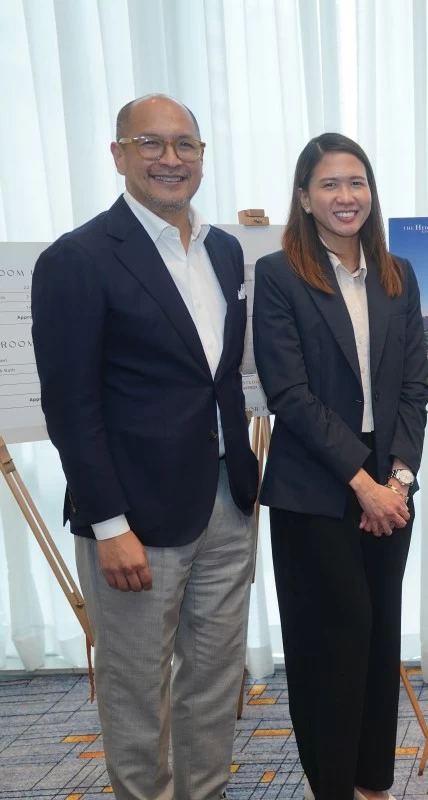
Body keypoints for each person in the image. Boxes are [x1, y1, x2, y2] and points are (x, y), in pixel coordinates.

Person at [30, 94, 259, 800]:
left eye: (185, 144)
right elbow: (71, 406)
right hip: (133, 520)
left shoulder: (224, 249)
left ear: (201, 157)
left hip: (227, 501)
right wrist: (108, 525)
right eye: (150, 144)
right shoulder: (77, 259)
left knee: (215, 683)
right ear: (118, 155)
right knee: (136, 695)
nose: (170, 159)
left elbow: (219, 375)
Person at [253, 132, 428, 800]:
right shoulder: (279, 275)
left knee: (380, 639)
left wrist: (398, 482)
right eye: (329, 184)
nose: (346, 196)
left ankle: (373, 785)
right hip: (314, 489)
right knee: (331, 646)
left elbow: (414, 387)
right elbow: (289, 394)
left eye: (357, 182)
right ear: (304, 197)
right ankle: (331, 787)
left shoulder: (397, 273)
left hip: (391, 485)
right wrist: (363, 486)